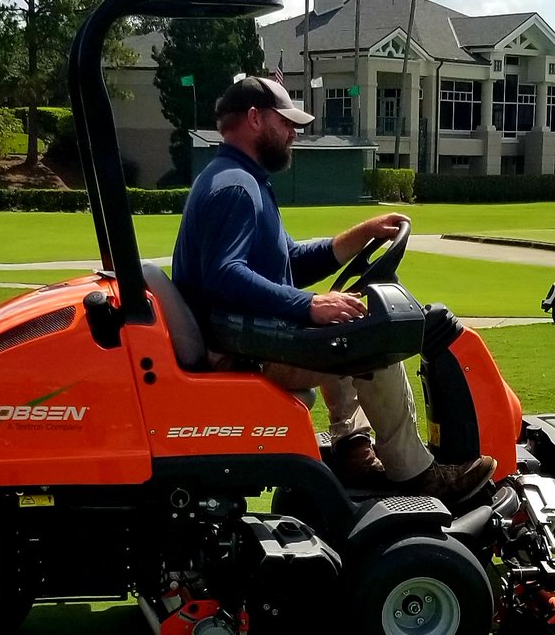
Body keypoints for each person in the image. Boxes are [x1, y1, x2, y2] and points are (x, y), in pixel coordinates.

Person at [171, 75, 496, 503]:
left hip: (240, 334)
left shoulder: (237, 178)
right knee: (374, 345)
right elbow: (224, 274)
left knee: (345, 327)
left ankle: (350, 446)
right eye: (285, 122)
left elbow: (290, 261)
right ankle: (416, 474)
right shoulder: (234, 187)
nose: (293, 132)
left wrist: (362, 234)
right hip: (237, 350)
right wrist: (308, 306)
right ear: (254, 119)